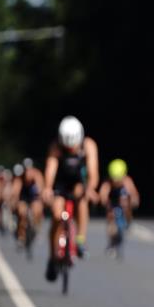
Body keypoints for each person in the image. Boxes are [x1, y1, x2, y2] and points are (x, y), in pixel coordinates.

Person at [42, 116, 99, 280]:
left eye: (72, 146)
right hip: (60, 183)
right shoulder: (56, 147)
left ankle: (80, 239)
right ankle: (53, 257)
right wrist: (47, 188)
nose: (70, 149)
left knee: (81, 200)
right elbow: (51, 169)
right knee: (56, 216)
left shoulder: (88, 145)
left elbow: (93, 172)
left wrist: (90, 189)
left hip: (78, 183)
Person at [99, 159, 140, 251]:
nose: (116, 181)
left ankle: (128, 220)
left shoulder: (127, 181)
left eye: (118, 178)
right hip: (113, 202)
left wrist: (134, 200)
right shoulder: (108, 183)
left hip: (122, 201)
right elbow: (103, 193)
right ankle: (111, 239)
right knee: (110, 216)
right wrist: (104, 202)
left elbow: (133, 193)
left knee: (125, 202)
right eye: (114, 178)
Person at [11, 158, 44, 248]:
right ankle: (21, 236)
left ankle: (36, 228)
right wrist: (14, 200)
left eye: (29, 169)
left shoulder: (37, 175)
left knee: (37, 210)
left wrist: (41, 195)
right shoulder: (20, 177)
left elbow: (41, 188)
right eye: (26, 170)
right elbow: (16, 190)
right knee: (22, 214)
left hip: (34, 197)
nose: (28, 172)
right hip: (23, 197)